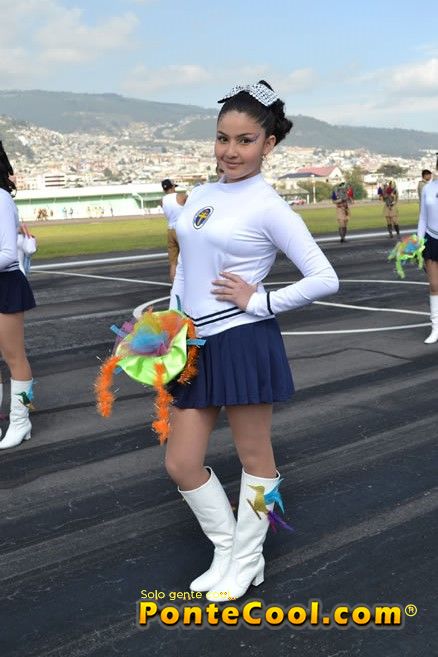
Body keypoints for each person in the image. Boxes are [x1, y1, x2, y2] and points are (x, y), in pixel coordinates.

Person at [165, 80, 339, 601]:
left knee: (255, 460)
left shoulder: (269, 206)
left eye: (245, 140)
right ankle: (228, 550)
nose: (230, 151)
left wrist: (260, 301)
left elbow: (324, 277)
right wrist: (171, 320)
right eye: (223, 138)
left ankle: (246, 559)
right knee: (181, 462)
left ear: (269, 144)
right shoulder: (202, 194)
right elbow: (185, 266)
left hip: (243, 339)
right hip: (193, 343)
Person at [0, 146, 36, 449]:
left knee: (15, 358)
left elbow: (9, 254)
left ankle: (21, 421)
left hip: (6, 283)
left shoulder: (1, 198)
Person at [417, 156, 438, 344]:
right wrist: (419, 241)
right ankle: (435, 328)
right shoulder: (427, 189)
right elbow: (423, 217)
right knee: (434, 285)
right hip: (431, 239)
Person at [160, 179, 187, 282]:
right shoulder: (181, 196)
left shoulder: (162, 200)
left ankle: (174, 286)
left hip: (170, 230)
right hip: (181, 229)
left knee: (173, 263)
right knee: (189, 258)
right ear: (172, 187)